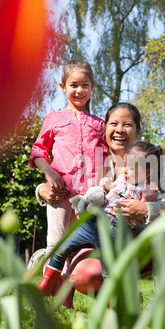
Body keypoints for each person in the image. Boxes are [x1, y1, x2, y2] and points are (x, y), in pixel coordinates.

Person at [36, 102, 165, 296]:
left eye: (127, 125)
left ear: (138, 130)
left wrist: (148, 209)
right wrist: (41, 190)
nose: (119, 130)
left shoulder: (148, 160)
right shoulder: (95, 158)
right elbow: (69, 183)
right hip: (102, 240)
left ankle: (161, 298)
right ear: (105, 127)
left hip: (140, 245)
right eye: (113, 124)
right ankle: (122, 297)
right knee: (82, 276)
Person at [38, 140, 163, 296]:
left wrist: (145, 203)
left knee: (108, 269)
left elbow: (143, 217)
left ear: (148, 171)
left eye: (131, 168)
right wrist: (104, 186)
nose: (124, 170)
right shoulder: (121, 179)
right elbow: (108, 196)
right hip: (92, 220)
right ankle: (46, 286)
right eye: (124, 165)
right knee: (61, 248)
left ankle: (114, 302)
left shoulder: (150, 189)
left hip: (113, 228)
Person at [29, 60, 108, 288]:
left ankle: (68, 295)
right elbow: (38, 151)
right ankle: (50, 292)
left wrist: (104, 181)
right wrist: (50, 172)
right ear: (63, 87)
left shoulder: (99, 124)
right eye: (74, 85)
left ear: (92, 87)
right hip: (60, 193)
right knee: (56, 242)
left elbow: (110, 155)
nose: (79, 90)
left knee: (82, 246)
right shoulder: (53, 119)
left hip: (89, 197)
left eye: (85, 85)